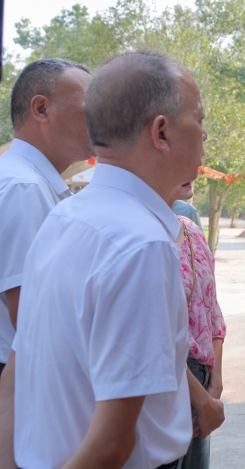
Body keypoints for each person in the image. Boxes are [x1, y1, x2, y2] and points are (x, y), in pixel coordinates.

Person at [5, 52, 222, 469]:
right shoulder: (142, 245)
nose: (204, 133)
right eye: (198, 118)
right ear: (161, 132)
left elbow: (13, 377)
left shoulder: (64, 217)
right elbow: (110, 445)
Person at [0, 58, 93, 376]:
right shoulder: (24, 188)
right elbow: (31, 317)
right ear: (41, 109)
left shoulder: (27, 181)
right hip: (19, 374)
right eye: (89, 106)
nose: (100, 118)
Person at [169, 180, 227, 469]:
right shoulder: (138, 235)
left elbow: (212, 311)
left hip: (202, 380)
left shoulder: (189, 228)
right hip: (169, 381)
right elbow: (155, 339)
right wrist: (201, 400)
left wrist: (215, 385)